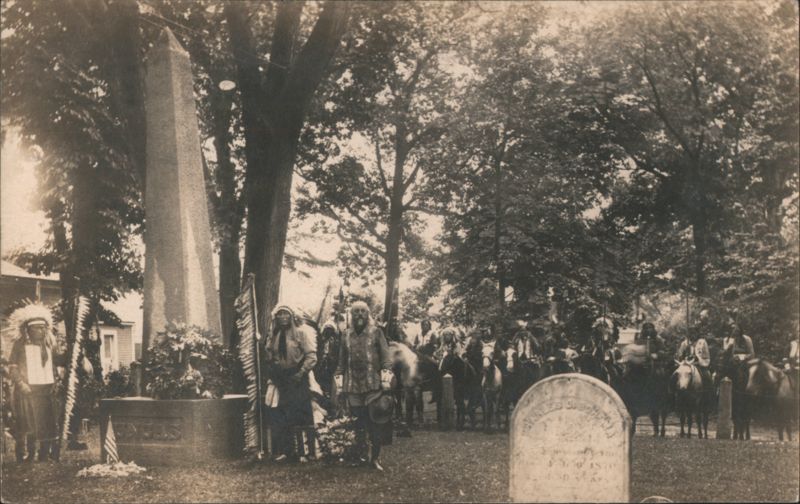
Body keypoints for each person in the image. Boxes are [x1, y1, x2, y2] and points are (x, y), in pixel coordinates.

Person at [335, 301, 393, 471]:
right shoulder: (345, 335)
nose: (359, 314)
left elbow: (386, 359)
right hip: (353, 386)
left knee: (375, 422)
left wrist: (386, 379)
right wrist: (339, 385)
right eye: (356, 311)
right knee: (358, 423)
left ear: (368, 314)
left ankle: (374, 459)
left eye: (363, 311)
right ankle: (360, 456)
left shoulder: (376, 333)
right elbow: (341, 362)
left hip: (373, 385)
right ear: (351, 315)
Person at [8, 303, 65, 463]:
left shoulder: (49, 345)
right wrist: (21, 384)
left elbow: (58, 361)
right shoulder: (20, 345)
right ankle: (26, 453)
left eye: (43, 328)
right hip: (27, 390)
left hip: (46, 389)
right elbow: (13, 367)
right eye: (37, 328)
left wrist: (71, 354)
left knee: (47, 421)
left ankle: (44, 453)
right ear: (28, 330)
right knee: (28, 422)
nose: (41, 331)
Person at [266, 305, 318, 462]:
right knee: (283, 413)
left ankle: (307, 452)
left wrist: (301, 372)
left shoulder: (301, 333)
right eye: (280, 314)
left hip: (298, 377)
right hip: (282, 378)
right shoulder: (275, 335)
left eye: (286, 314)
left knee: (301, 412)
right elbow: (270, 354)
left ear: (291, 316)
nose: (283, 317)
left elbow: (311, 356)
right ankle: (288, 451)